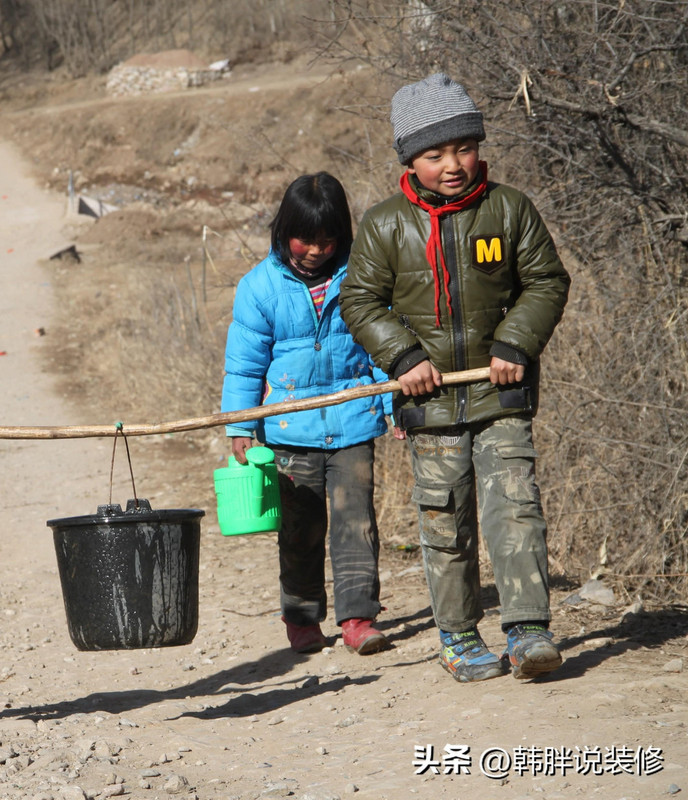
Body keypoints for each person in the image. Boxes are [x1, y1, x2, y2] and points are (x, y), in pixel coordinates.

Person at [340, 73, 571, 683]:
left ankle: (527, 630)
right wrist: (403, 358)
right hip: (430, 406)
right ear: (409, 160)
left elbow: (547, 282)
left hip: (503, 396)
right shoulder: (384, 226)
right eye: (434, 154)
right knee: (445, 521)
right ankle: (458, 635)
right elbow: (359, 301)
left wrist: (516, 341)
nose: (452, 165)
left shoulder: (509, 209)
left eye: (463, 148)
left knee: (516, 507)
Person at [221, 172, 393, 657]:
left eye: (327, 239)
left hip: (353, 421)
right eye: (305, 239)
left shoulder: (364, 274)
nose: (316, 250)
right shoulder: (258, 287)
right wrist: (239, 426)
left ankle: (358, 619)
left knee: (354, 523)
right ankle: (301, 619)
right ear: (283, 231)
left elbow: (383, 345)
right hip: (288, 430)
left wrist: (391, 403)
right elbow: (244, 365)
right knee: (299, 530)